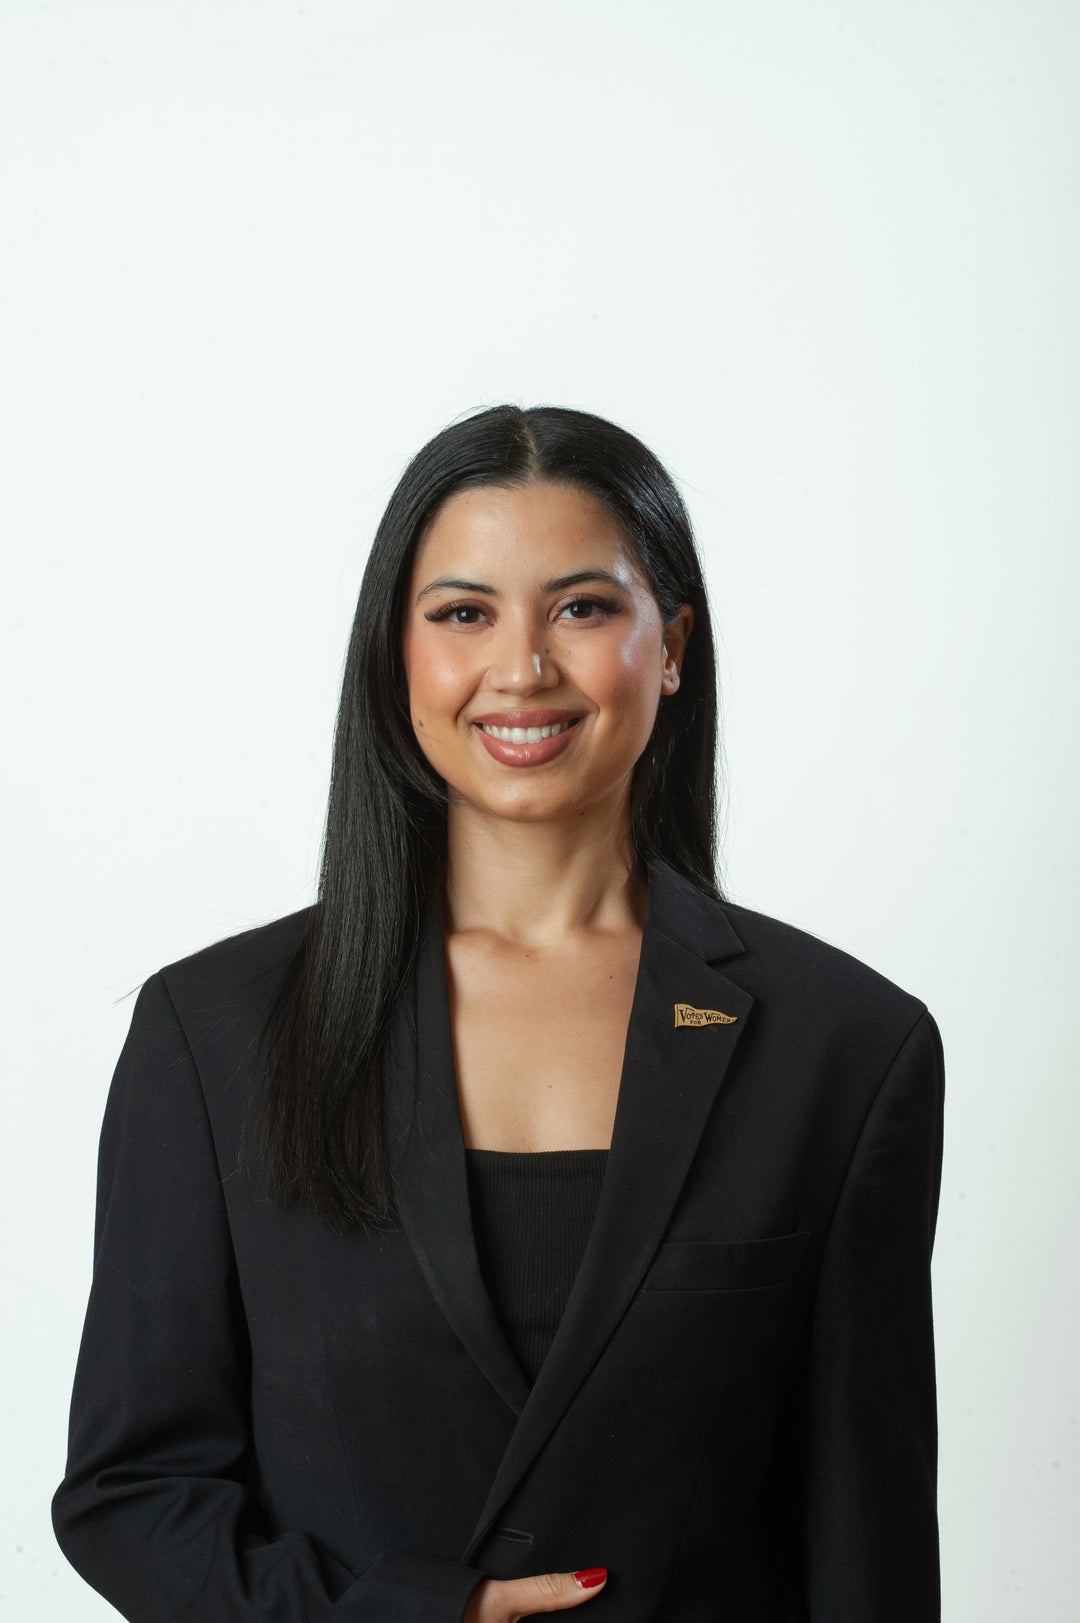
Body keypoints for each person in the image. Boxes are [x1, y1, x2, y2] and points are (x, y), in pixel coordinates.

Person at [53, 404, 945, 1623]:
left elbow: (866, 1545)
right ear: (395, 655)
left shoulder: (844, 1047)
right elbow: (135, 1493)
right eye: (463, 613)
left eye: (582, 607)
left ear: (671, 645)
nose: (522, 668)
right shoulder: (213, 1036)